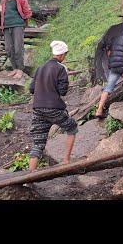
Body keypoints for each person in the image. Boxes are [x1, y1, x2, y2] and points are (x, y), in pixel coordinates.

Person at [28, 40, 78, 170]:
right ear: (61, 55)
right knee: (72, 128)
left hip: (38, 109)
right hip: (54, 108)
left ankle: (29, 176)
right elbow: (63, 91)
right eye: (65, 55)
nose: (65, 57)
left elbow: (31, 89)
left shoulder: (40, 68)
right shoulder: (61, 68)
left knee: (38, 143)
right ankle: (66, 160)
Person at [95, 24, 123, 118]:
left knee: (108, 88)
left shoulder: (115, 39)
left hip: (114, 67)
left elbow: (109, 53)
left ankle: (99, 110)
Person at [0, 0, 32, 79]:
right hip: (6, 27)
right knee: (8, 49)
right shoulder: (3, 0)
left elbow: (27, 10)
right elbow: (1, 13)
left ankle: (20, 69)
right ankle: (14, 68)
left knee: (18, 48)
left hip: (17, 25)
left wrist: (26, 20)